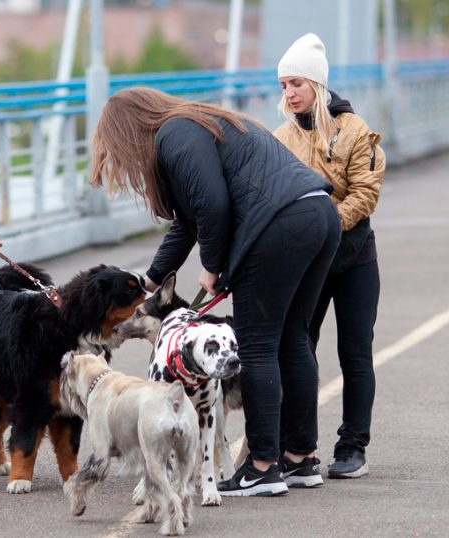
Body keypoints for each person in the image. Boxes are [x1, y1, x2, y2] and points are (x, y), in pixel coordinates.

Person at [90, 87, 340, 497]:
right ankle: (300, 458)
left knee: (257, 346)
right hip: (316, 213)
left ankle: (262, 466)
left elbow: (213, 205)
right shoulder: (196, 123)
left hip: (278, 224)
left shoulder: (173, 134)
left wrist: (211, 267)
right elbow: (189, 221)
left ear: (128, 131)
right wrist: (149, 282)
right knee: (293, 339)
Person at [274, 33, 385, 479]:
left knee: (355, 354)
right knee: (300, 349)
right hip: (308, 260)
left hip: (355, 256)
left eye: (296, 83)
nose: (289, 94)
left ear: (316, 84)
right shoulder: (280, 136)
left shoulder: (356, 131)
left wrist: (322, 227)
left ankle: (352, 446)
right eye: (283, 85)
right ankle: (299, 448)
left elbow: (365, 192)